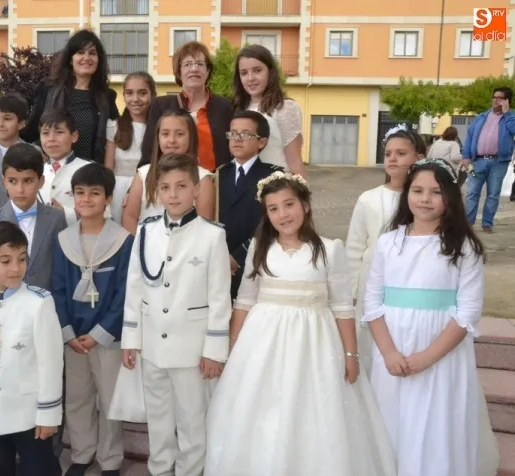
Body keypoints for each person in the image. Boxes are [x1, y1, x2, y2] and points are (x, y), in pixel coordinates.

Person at [204, 171, 396, 476]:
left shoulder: (330, 249)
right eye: (274, 208)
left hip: (314, 344)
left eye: (289, 204)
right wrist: (231, 346)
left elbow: (342, 307)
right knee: (261, 409)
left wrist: (351, 354)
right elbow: (244, 302)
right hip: (262, 343)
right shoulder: (260, 248)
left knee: (313, 410)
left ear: (305, 206)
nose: (283, 214)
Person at [363, 158, 500, 476]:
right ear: (406, 194)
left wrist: (427, 357)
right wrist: (389, 352)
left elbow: (468, 312)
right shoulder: (388, 243)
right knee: (393, 423)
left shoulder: (463, 247)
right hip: (393, 349)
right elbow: (372, 301)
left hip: (441, 354)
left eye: (436, 192)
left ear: (450, 197)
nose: (425, 199)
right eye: (418, 190)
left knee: (435, 425)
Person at [121, 153, 232, 476]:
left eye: (181, 186)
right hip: (152, 345)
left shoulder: (212, 235)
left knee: (192, 421)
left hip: (191, 348)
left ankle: (190, 471)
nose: (173, 194)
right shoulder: (146, 231)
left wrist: (214, 350)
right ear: (156, 191)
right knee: (157, 418)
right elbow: (135, 287)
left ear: (196, 190)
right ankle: (159, 469)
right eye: (165, 187)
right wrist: (131, 338)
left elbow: (219, 298)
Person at [0, 221, 63, 476]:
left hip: (29, 414)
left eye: (21, 259)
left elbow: (51, 364)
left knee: (39, 470)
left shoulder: (39, 303)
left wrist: (48, 414)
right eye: (5, 261)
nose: (16, 268)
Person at [52, 163, 133, 476]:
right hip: (74, 338)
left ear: (108, 198)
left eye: (95, 193)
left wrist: (100, 333)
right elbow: (58, 289)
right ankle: (82, 454)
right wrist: (67, 332)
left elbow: (124, 294)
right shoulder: (64, 240)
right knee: (77, 398)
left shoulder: (123, 241)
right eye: (80, 193)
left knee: (110, 400)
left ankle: (110, 459)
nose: (86, 199)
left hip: (107, 338)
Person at [345, 125, 425, 376]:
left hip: (412, 279)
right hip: (372, 278)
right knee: (370, 338)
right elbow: (355, 246)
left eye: (401, 154)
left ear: (419, 158)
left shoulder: (425, 199)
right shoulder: (368, 198)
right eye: (388, 153)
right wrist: (351, 290)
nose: (392, 159)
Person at [0, 142, 67, 291]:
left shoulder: (56, 218)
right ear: (4, 181)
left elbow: (62, 268)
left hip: (47, 300)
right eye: (12, 181)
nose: (20, 189)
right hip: (5, 301)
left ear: (41, 182)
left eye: (27, 181)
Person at [22, 29, 119, 163]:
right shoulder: (47, 89)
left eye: (92, 53)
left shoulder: (107, 96)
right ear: (70, 60)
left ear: (98, 60)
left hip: (90, 171)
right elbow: (31, 131)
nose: (87, 58)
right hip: (54, 168)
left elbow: (117, 133)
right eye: (80, 52)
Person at [215, 110, 284, 300]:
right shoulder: (219, 174)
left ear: (261, 142)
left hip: (256, 258)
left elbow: (272, 223)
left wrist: (238, 256)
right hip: (220, 260)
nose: (237, 139)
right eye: (233, 134)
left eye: (245, 134)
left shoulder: (274, 176)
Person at [140, 41, 232, 172]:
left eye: (200, 64)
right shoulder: (161, 106)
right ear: (179, 72)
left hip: (217, 180)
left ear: (208, 71)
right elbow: (149, 152)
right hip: (173, 179)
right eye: (187, 64)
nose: (194, 69)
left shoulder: (224, 106)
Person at [122, 109, 215, 233]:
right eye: (165, 134)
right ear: (158, 137)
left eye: (180, 134)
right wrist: (138, 243)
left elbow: (204, 226)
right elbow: (130, 217)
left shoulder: (202, 178)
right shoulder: (143, 174)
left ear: (191, 137)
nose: (172, 140)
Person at [232, 44, 307, 176]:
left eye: (257, 70)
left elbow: (295, 160)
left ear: (270, 72)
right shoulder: (238, 108)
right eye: (244, 73)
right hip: (243, 184)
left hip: (276, 184)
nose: (250, 78)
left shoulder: (284, 108)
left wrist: (302, 188)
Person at [462, 86, 515, 233]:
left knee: (493, 194)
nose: (496, 100)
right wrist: (466, 157)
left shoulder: (511, 117)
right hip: (477, 161)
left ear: (507, 101)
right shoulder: (481, 117)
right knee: (472, 193)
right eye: (494, 97)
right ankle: (468, 224)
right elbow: (470, 137)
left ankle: (487, 224)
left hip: (499, 162)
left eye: (500, 98)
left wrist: (507, 113)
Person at [104, 72, 156, 223]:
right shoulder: (114, 126)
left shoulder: (158, 129)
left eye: (142, 93)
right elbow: (108, 168)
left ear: (152, 95)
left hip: (148, 188)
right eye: (129, 93)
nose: (135, 99)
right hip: (117, 190)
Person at [37, 109, 98, 226]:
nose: (51, 138)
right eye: (45, 133)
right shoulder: (35, 171)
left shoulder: (90, 169)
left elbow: (103, 213)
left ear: (74, 136)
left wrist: (66, 213)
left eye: (59, 132)